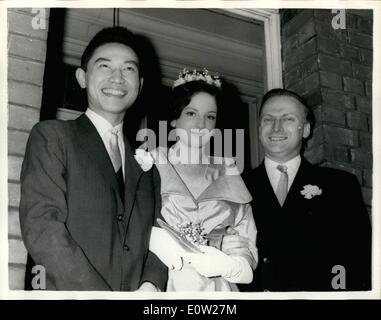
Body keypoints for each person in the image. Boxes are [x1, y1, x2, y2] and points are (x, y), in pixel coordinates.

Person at [19, 27, 167, 291]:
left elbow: (161, 235)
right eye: (105, 66)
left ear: (140, 85)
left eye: (129, 69)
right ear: (82, 77)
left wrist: (151, 284)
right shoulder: (53, 137)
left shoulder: (148, 168)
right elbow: (42, 226)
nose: (117, 78)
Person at [240, 88, 371, 291]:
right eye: (268, 119)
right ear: (259, 128)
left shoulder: (340, 186)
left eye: (288, 119)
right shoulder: (236, 187)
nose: (276, 127)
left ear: (306, 129)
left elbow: (360, 260)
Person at [147, 69, 258, 291]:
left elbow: (248, 254)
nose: (201, 124)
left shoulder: (228, 171)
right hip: (160, 287)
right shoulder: (151, 163)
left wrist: (230, 265)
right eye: (191, 113)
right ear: (173, 118)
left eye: (210, 116)